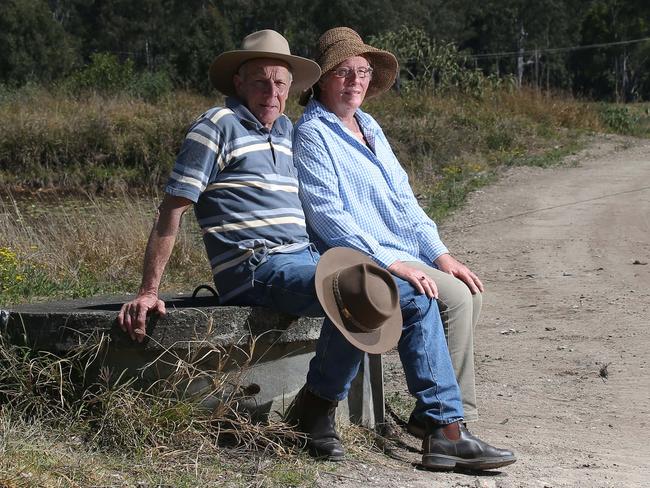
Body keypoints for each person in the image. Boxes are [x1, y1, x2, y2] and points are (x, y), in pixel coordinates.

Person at [117, 29, 515, 471]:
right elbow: (173, 209)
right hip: (256, 265)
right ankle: (316, 410)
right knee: (358, 292)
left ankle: (444, 431)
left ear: (293, 88)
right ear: (238, 83)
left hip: (304, 258)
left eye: (282, 83)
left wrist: (422, 253)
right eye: (261, 82)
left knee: (415, 297)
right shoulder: (216, 126)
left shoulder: (288, 130)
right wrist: (149, 290)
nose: (272, 93)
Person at [293, 27, 484, 431]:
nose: (355, 81)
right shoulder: (312, 133)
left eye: (362, 71)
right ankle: (452, 421)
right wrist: (391, 262)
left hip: (401, 249)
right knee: (453, 299)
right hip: (359, 255)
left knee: (466, 289)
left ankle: (434, 413)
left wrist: (439, 253)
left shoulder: (369, 125)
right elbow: (328, 216)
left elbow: (404, 198)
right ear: (323, 80)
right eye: (343, 72)